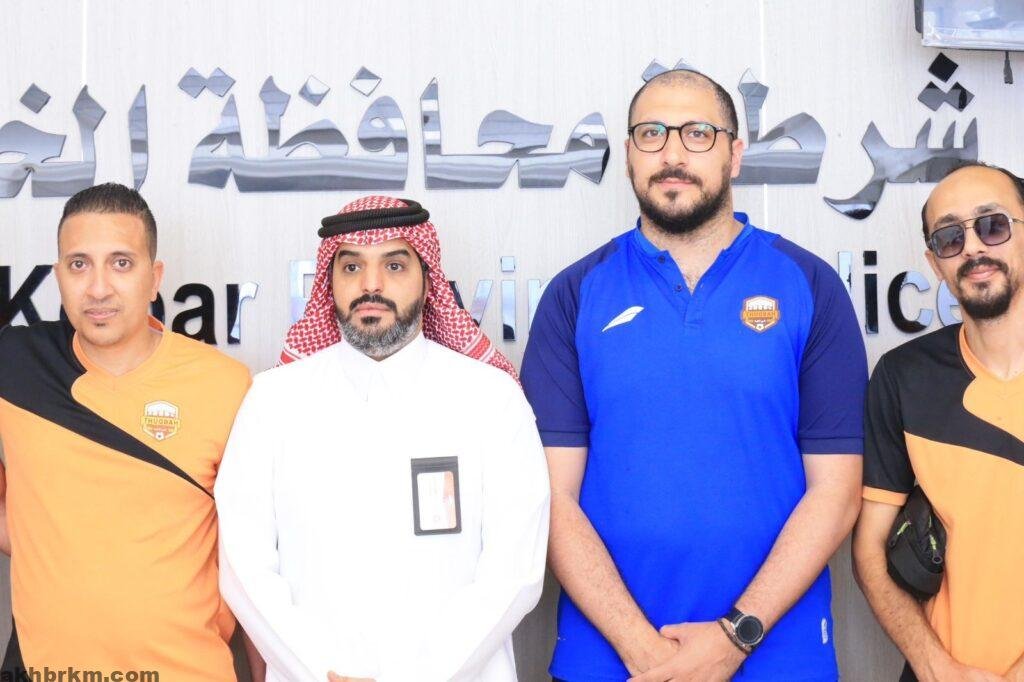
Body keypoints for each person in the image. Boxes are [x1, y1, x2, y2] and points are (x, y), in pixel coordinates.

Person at [520, 69, 867, 681]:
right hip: (609, 660)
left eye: (698, 133)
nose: (673, 154)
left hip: (777, 656)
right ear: (628, 154)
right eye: (651, 134)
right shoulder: (575, 295)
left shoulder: (809, 284)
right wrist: (642, 650)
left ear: (735, 154)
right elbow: (551, 499)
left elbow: (836, 494)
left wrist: (735, 636)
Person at [215, 196, 549, 681]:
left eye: (394, 265)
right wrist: (322, 670)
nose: (371, 285)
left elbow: (514, 572)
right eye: (352, 267)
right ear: (328, 282)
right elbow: (245, 569)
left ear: (427, 280)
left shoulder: (491, 399)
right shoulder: (272, 402)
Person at [0, 183, 260, 679]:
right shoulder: (16, 363)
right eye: (79, 264)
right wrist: (36, 534)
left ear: (154, 277)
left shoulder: (225, 384)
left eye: (121, 263)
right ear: (58, 275)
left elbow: (256, 554)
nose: (98, 288)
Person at [853, 162, 1024, 681]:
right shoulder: (903, 377)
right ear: (934, 262)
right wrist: (935, 667)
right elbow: (869, 551)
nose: (972, 248)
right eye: (949, 237)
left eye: (992, 225)